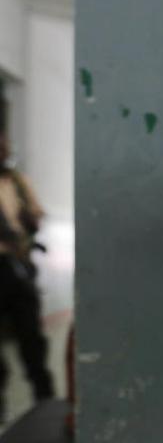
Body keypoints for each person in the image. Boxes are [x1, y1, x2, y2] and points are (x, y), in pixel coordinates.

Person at [0, 135, 55, 423]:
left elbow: (36, 214)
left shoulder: (18, 182)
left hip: (19, 269)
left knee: (32, 345)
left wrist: (29, 222)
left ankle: (46, 408)